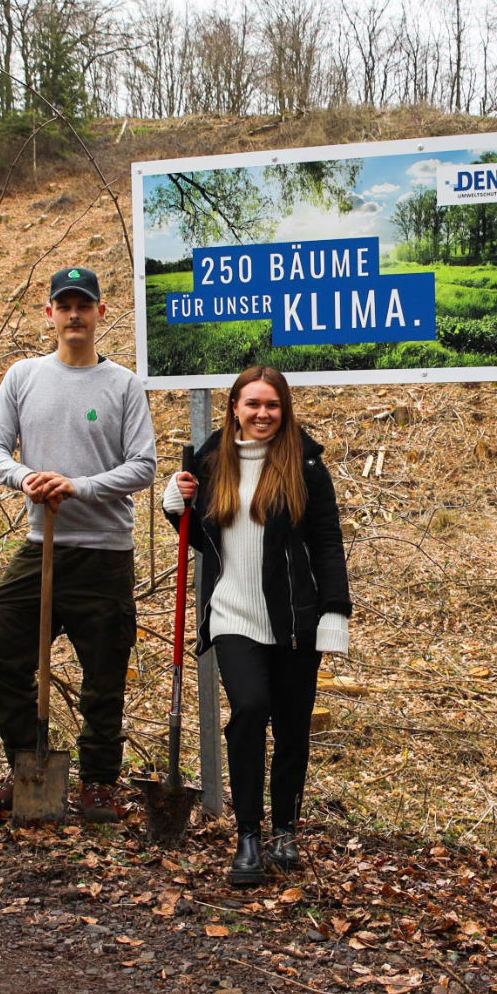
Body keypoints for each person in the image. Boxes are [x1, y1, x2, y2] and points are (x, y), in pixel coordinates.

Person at [0, 267, 156, 824]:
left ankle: (99, 784)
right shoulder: (23, 376)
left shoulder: (123, 384)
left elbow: (144, 465)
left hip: (104, 551)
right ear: (49, 313)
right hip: (42, 544)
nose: (74, 314)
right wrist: (26, 477)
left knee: (104, 675)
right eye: (64, 304)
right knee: (0, 646)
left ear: (101, 314)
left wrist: (79, 486)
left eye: (85, 305)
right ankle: (29, 767)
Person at [165, 366, 350, 885]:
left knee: (292, 726)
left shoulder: (306, 468)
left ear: (283, 410)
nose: (262, 414)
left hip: (295, 619)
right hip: (232, 613)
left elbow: (328, 543)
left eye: (272, 405)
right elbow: (200, 537)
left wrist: (334, 614)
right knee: (249, 710)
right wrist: (173, 501)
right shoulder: (210, 463)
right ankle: (248, 834)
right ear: (234, 408)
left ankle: (285, 829)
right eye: (253, 404)